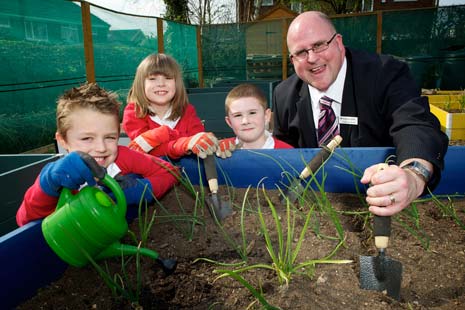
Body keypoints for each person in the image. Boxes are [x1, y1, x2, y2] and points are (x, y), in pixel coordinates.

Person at [272, 11, 449, 216]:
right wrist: (243, 146)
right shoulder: (284, 95)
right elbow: (282, 152)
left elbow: (415, 123)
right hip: (314, 210)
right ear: (292, 60)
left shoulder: (386, 74)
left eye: (319, 45)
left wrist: (413, 174)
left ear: (338, 42)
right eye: (301, 52)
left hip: (380, 202)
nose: (312, 58)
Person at [16, 83, 179, 226]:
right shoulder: (59, 175)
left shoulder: (124, 157)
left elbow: (170, 172)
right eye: (87, 138)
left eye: (110, 137)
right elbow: (24, 221)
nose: (101, 148)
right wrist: (48, 183)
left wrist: (141, 190)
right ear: (63, 140)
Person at [123, 53, 227, 159]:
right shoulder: (134, 111)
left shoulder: (187, 110)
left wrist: (213, 142)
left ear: (177, 83)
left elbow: (198, 141)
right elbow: (146, 150)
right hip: (149, 173)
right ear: (141, 84)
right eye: (152, 79)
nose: (161, 84)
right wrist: (169, 135)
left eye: (168, 78)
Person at [216, 84, 293, 158]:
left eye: (252, 113)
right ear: (229, 122)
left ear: (266, 116)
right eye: (238, 115)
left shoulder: (288, 153)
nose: (245, 121)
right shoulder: (219, 151)